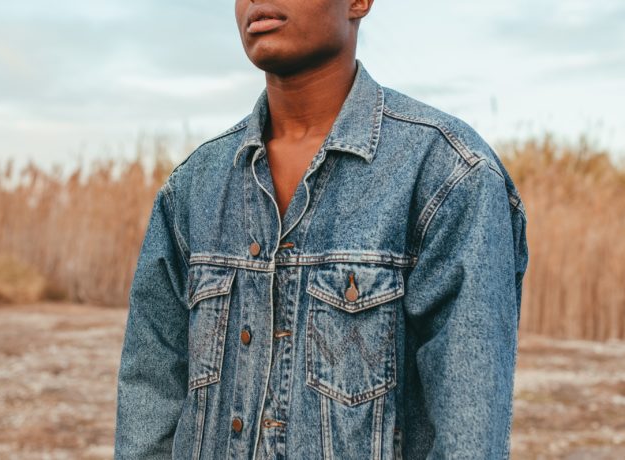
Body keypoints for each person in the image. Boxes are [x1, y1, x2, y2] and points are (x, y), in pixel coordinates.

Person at [113, 0, 529, 459]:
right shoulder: (195, 186)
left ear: (359, 3)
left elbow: (469, 437)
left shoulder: (447, 175)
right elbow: (149, 402)